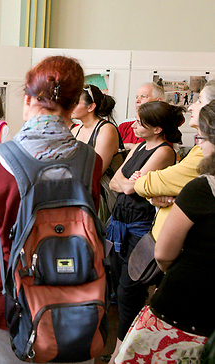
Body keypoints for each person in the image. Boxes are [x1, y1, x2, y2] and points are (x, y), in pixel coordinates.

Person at [0, 56, 102, 364]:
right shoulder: (90, 162)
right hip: (75, 298)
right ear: (72, 105)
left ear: (27, 98)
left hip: (6, 295)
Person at [115, 100, 215, 363]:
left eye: (202, 138)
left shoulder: (202, 186)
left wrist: (141, 185)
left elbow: (163, 253)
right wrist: (147, 191)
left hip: (185, 304)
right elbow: (118, 181)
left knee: (129, 293)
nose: (199, 144)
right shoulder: (197, 183)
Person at [107, 101, 184, 363]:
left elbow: (130, 189)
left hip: (140, 227)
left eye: (141, 123)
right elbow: (118, 181)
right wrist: (132, 183)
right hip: (119, 223)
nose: (134, 126)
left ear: (157, 128)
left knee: (130, 290)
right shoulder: (140, 146)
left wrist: (131, 184)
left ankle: (121, 351)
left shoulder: (164, 151)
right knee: (120, 287)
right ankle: (127, 346)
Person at [134, 80, 215, 240]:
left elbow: (142, 184)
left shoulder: (204, 154)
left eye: (200, 101)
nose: (191, 106)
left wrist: (151, 189)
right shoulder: (198, 149)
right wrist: (155, 196)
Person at [71, 84, 121, 221]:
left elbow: (96, 170)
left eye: (76, 102)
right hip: (75, 189)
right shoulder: (75, 130)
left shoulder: (106, 130)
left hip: (97, 192)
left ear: (91, 107)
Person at [118, 82, 164, 151]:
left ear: (157, 101)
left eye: (143, 97)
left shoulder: (164, 130)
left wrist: (132, 147)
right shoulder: (124, 126)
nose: (137, 101)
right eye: (136, 97)